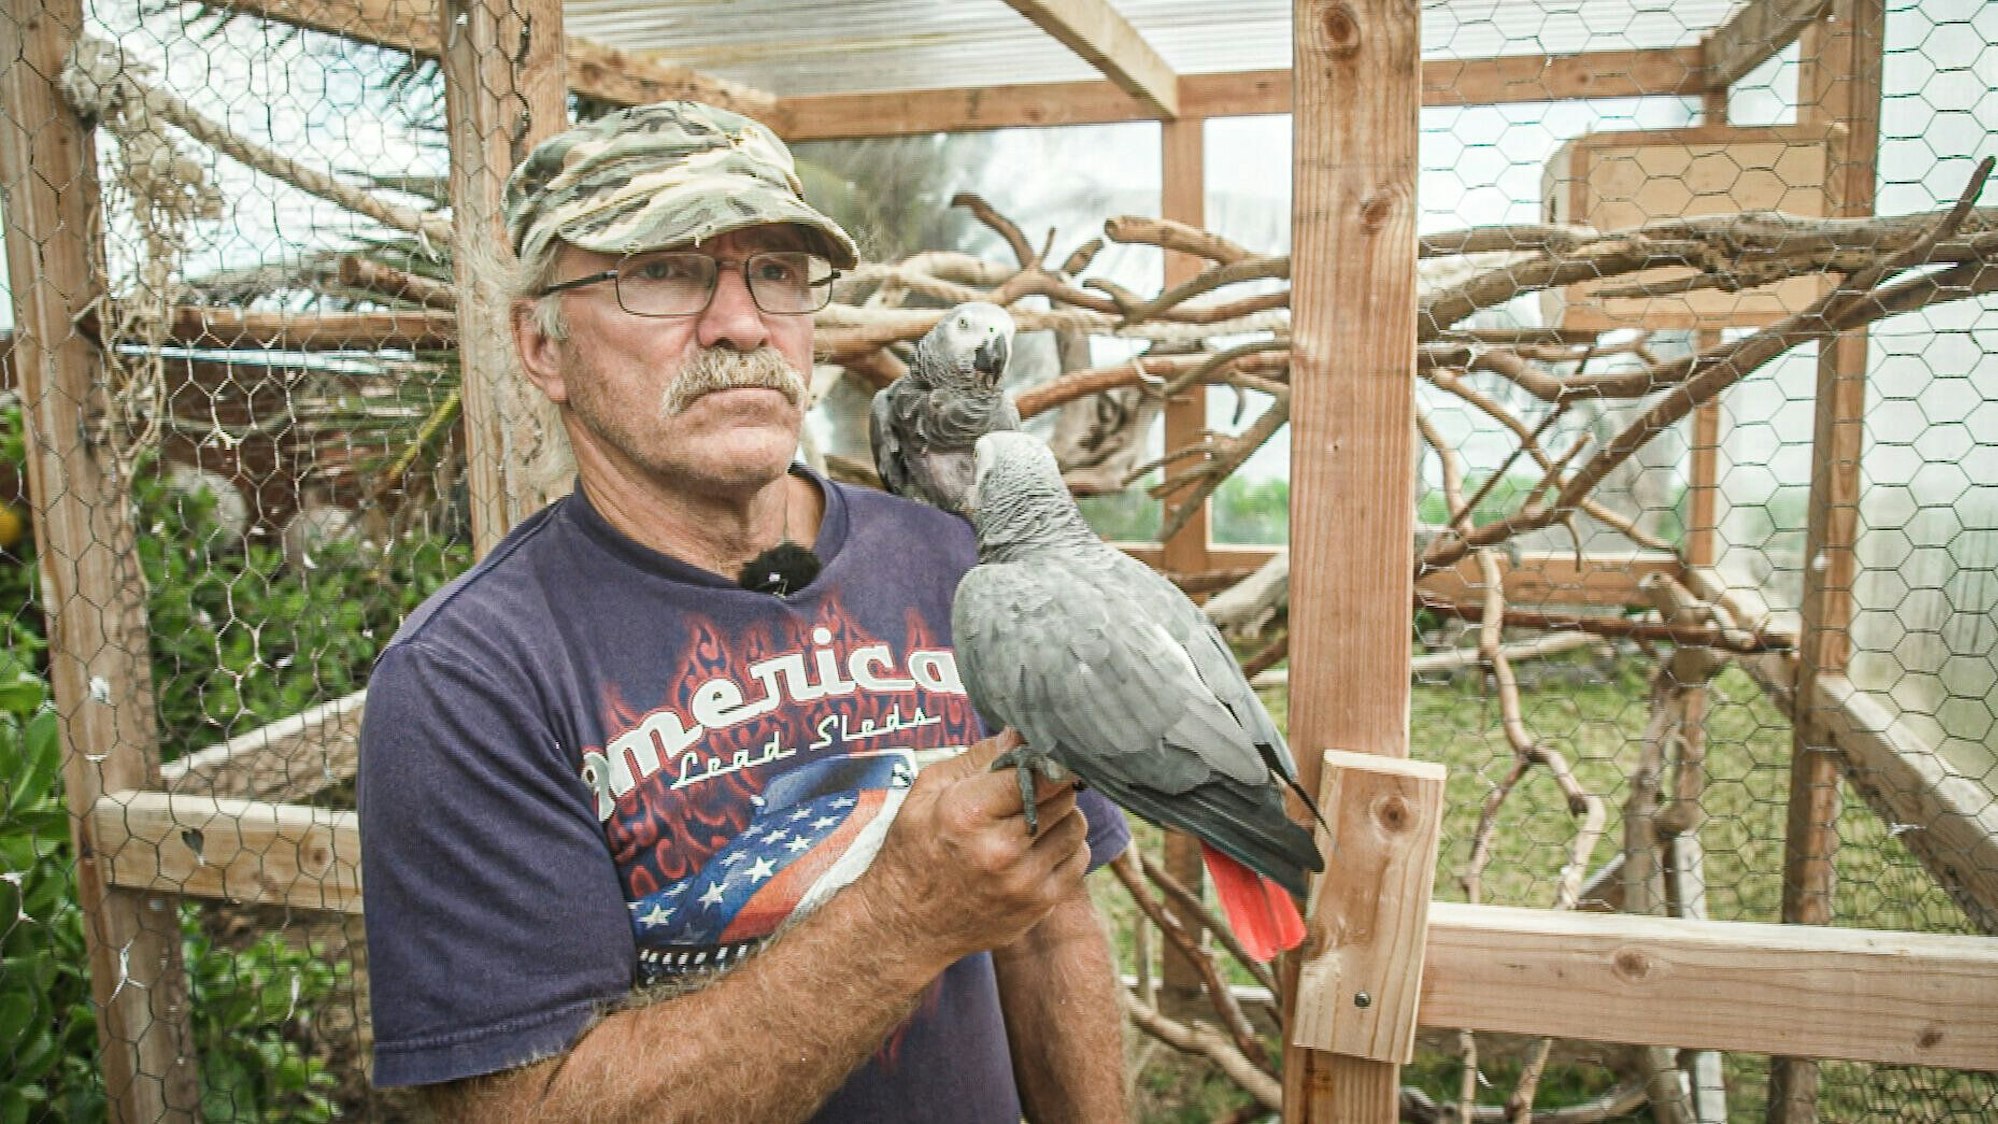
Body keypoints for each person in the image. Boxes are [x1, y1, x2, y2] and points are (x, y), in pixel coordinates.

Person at [356, 100, 1132, 1124]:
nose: (740, 321)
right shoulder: (468, 682)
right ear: (538, 343)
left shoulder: (959, 565)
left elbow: (1051, 927)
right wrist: (900, 917)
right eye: (662, 271)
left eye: (775, 269)